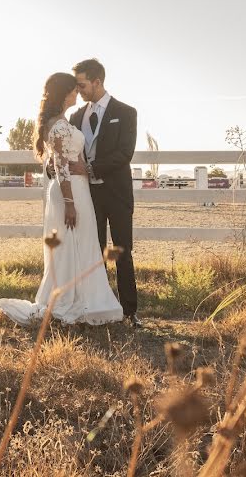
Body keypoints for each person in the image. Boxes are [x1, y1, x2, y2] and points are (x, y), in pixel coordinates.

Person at [0, 72, 124, 326]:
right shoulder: (59, 125)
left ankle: (82, 295)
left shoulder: (61, 121)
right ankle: (69, 299)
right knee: (72, 242)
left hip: (77, 188)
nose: (77, 93)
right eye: (74, 90)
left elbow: (60, 160)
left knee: (81, 242)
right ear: (65, 93)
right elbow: (61, 164)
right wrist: (69, 202)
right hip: (71, 191)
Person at [69, 59, 141, 327]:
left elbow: (125, 153)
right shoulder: (77, 117)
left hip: (117, 193)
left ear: (97, 82)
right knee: (93, 251)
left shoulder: (125, 112)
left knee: (122, 251)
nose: (79, 90)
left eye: (82, 84)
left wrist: (89, 168)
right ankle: (96, 308)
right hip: (90, 197)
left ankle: (129, 311)